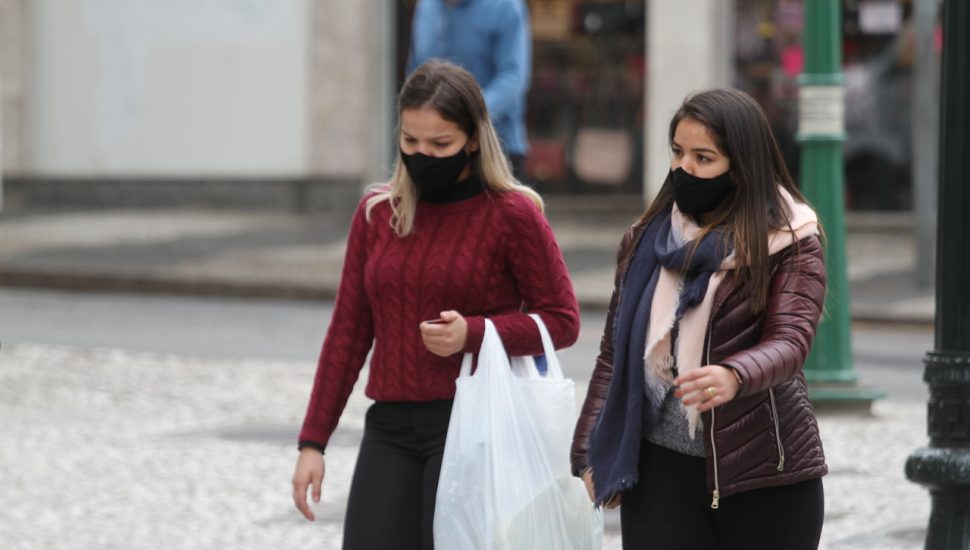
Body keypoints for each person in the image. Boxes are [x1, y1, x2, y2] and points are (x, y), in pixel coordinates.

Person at [292, 59, 579, 550]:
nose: (422, 154)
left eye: (439, 144)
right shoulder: (379, 213)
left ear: (472, 139)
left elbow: (563, 321)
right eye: (410, 142)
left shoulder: (511, 214)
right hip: (389, 425)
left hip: (472, 424)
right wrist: (313, 441)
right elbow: (348, 330)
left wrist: (477, 332)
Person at [570, 88, 827, 550]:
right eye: (677, 152)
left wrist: (734, 374)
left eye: (703, 158)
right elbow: (614, 353)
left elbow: (792, 340)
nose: (683, 168)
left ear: (742, 166)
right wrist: (592, 448)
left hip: (766, 472)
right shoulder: (646, 240)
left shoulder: (790, 238)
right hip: (660, 472)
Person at [407, 0, 531, 179]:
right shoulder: (426, 6)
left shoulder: (505, 6)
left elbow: (513, 76)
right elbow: (416, 72)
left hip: (494, 148)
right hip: (430, 150)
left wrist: (465, 114)